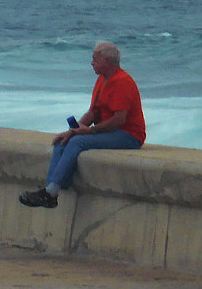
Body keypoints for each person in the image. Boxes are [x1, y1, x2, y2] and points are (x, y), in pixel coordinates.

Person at [20, 41, 145, 209]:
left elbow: (119, 119)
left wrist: (90, 131)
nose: (91, 63)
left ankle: (51, 192)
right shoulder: (102, 80)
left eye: (95, 60)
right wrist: (72, 131)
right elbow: (93, 112)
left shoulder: (122, 82)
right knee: (62, 141)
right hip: (109, 131)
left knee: (78, 142)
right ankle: (50, 190)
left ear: (107, 61)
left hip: (128, 135)